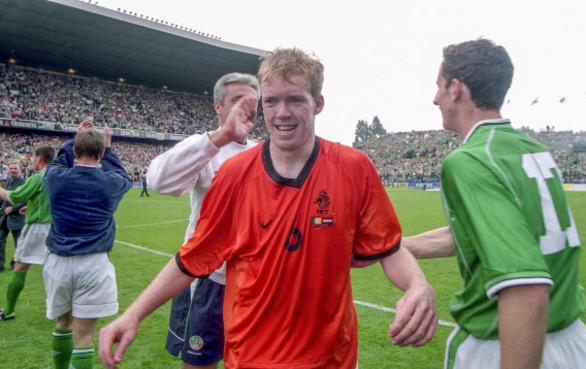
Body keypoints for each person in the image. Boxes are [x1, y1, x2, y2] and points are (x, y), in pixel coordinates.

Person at [99, 47, 437, 369]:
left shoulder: (354, 167)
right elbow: (192, 258)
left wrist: (418, 285)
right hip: (251, 356)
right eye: (271, 101)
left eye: (295, 100)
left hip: (333, 357)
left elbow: (389, 248)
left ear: (318, 104)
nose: (282, 112)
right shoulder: (234, 174)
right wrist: (134, 314)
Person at [402, 38, 586, 369]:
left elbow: (527, 288)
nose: (434, 98)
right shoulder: (530, 148)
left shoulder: (470, 159)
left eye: (439, 87)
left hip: (512, 341)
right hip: (577, 343)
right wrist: (398, 247)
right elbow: (491, 235)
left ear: (456, 89)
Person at [146, 72, 260, 369]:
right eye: (237, 100)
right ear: (218, 106)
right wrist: (222, 137)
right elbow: (160, 181)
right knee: (200, 363)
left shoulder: (264, 152)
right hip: (208, 278)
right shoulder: (206, 146)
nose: (245, 108)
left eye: (252, 102)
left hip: (254, 280)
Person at [43, 122, 132, 369]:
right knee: (84, 338)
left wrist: (74, 138)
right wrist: (109, 147)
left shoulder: (55, 178)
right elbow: (122, 174)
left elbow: (59, 162)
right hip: (94, 264)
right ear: (101, 154)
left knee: (62, 324)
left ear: (74, 151)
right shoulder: (111, 183)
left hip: (58, 261)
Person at [0, 145, 55, 321]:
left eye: (32, 157)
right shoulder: (59, 175)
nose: (31, 161)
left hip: (37, 228)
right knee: (53, 269)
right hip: (56, 228)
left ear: (39, 158)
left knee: (21, 266)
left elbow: (13, 197)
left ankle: (8, 310)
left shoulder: (38, 177)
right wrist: (31, 207)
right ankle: (55, 309)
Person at [0, 160, 26, 272]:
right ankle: (0, 265)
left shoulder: (24, 183)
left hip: (17, 218)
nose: (13, 171)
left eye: (15, 168)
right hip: (4, 218)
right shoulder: (7, 182)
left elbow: (25, 200)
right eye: (11, 168)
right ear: (8, 170)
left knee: (18, 244)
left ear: (20, 170)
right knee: (0, 240)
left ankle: (15, 264)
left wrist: (12, 209)